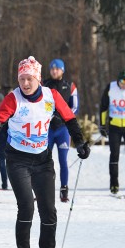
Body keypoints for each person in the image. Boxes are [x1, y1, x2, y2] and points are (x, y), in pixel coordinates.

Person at [0, 56, 90, 248]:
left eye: (29, 78)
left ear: (38, 79)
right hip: (17, 160)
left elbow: (69, 118)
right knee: (26, 208)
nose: (25, 83)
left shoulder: (51, 96)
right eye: (21, 78)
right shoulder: (14, 98)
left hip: (42, 161)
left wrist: (80, 141)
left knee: (48, 210)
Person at [41, 58, 78, 202]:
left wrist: (63, 117)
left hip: (63, 129)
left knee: (63, 160)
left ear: (62, 70)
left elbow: (74, 106)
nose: (54, 71)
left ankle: (64, 189)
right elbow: (39, 104)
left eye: (57, 69)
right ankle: (44, 188)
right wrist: (50, 117)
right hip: (48, 128)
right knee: (44, 160)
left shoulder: (70, 86)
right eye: (52, 69)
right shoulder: (44, 84)